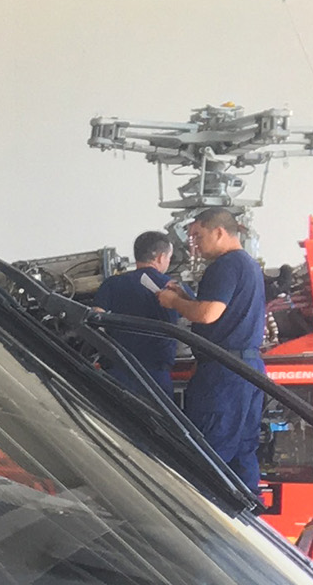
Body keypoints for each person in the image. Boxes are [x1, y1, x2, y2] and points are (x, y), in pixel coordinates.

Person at [160, 206, 270, 501]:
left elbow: (208, 314)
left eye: (197, 235)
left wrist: (173, 302)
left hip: (223, 371)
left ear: (219, 231)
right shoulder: (248, 265)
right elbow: (222, 312)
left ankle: (201, 520)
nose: (193, 243)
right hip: (249, 369)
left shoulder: (224, 265)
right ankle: (247, 516)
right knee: (243, 449)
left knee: (209, 451)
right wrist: (187, 298)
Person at [88, 230, 181, 396]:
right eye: (168, 257)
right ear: (160, 257)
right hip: (156, 376)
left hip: (118, 371)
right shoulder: (173, 287)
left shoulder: (112, 284)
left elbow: (95, 319)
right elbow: (196, 315)